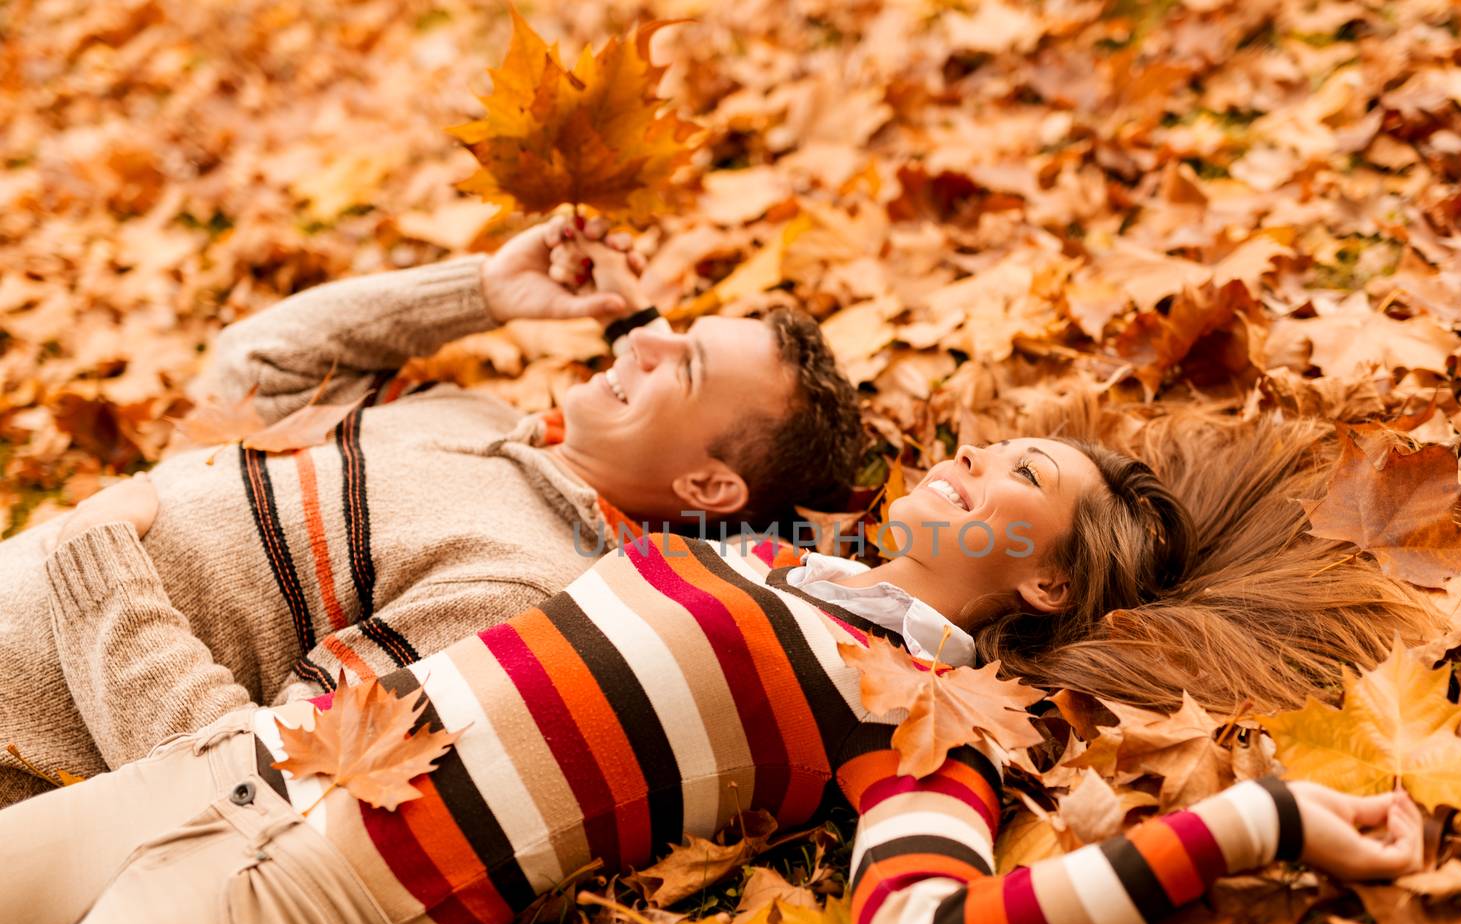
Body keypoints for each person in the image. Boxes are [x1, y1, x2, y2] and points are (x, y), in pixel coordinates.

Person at [0, 407, 1433, 924]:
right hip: (223, 767)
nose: (978, 455)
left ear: (1044, 582)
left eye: (1022, 475)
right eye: (997, 442)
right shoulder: (762, 558)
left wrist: (1255, 824)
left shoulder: (921, 715)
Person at [0, 217, 865, 805]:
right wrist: (485, 290)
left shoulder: (526, 582)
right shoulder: (478, 419)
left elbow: (257, 777)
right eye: (679, 325)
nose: (643, 336)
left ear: (709, 491)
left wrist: (97, 564)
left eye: (688, 366)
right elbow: (254, 366)